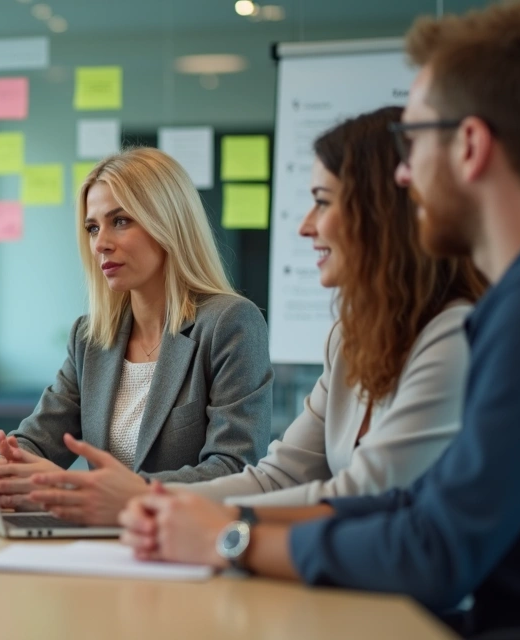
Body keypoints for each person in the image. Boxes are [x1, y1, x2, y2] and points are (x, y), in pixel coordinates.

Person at [119, 2, 520, 635]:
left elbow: (432, 547)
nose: (404, 174)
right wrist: (188, 514)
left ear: (471, 145)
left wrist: (232, 538)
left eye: (414, 141)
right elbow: (410, 509)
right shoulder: (513, 305)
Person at [84, 107, 483, 511]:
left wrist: (206, 525)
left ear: (381, 215)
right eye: (92, 227)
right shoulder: (349, 341)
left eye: (322, 203)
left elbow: (363, 496)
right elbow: (280, 476)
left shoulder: (456, 336)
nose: (305, 226)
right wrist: (144, 498)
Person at [0, 146, 273, 526]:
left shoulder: (230, 323)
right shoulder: (90, 337)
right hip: (102, 545)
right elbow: (39, 440)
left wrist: (118, 495)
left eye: (120, 221)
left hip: (184, 542)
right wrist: (1, 467)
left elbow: (233, 468)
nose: (101, 242)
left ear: (168, 223)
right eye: (92, 227)